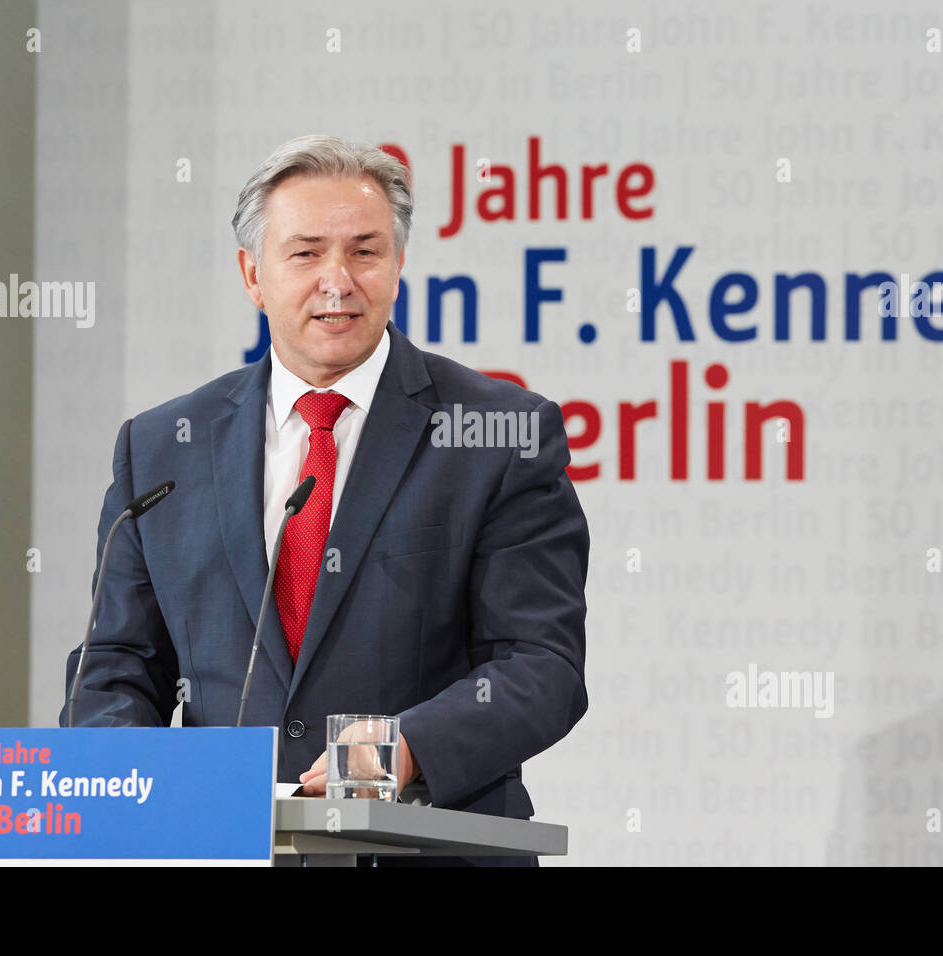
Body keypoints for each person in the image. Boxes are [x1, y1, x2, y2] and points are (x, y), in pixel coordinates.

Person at [59, 134, 590, 866]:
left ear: (399, 268)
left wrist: (405, 748)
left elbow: (542, 664)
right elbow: (115, 664)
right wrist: (150, 782)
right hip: (221, 850)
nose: (337, 281)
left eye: (365, 252)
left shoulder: (498, 433)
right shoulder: (161, 448)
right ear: (253, 274)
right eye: (305, 254)